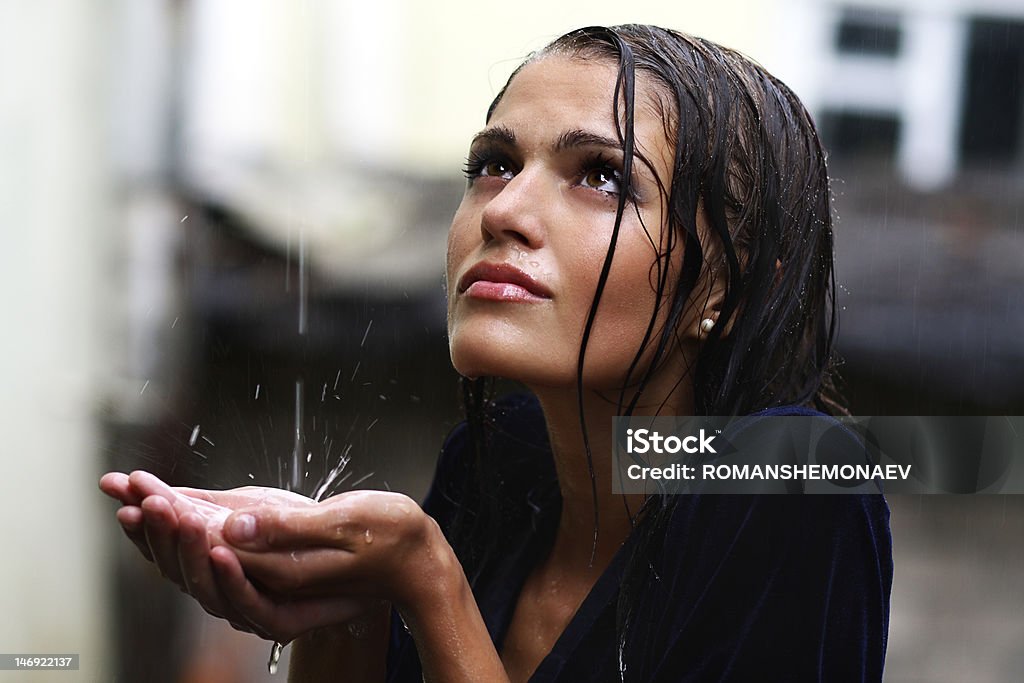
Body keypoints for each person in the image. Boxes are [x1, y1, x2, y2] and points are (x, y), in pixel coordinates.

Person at [101, 24, 893, 682]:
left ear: (727, 286)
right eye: (494, 165)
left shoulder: (795, 486)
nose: (504, 209)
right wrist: (347, 597)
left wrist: (424, 577)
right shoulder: (501, 467)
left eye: (603, 178)